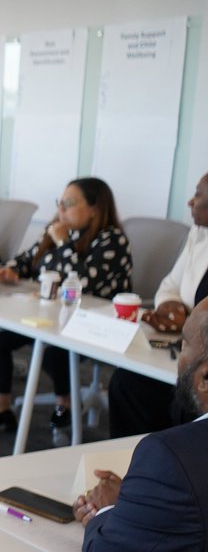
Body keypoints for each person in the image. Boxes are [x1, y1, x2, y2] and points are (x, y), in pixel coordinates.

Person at [26, 298, 208, 552]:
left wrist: (106, 513)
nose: (178, 358)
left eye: (182, 347)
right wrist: (149, 502)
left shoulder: (175, 458)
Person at [0, 178, 132, 440]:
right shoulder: (59, 231)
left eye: (69, 203)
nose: (61, 210)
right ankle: (1, 407)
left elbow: (84, 282)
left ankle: (65, 406)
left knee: (55, 353)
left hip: (92, 322)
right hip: (50, 314)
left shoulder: (112, 240)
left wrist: (64, 244)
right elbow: (29, 260)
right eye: (59, 203)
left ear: (95, 208)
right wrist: (11, 270)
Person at [109, 171, 208, 437]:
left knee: (181, 404)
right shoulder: (199, 235)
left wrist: (185, 320)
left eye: (198, 195)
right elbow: (169, 285)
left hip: (200, 362)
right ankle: (136, 465)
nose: (190, 202)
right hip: (181, 347)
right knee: (126, 381)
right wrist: (170, 308)